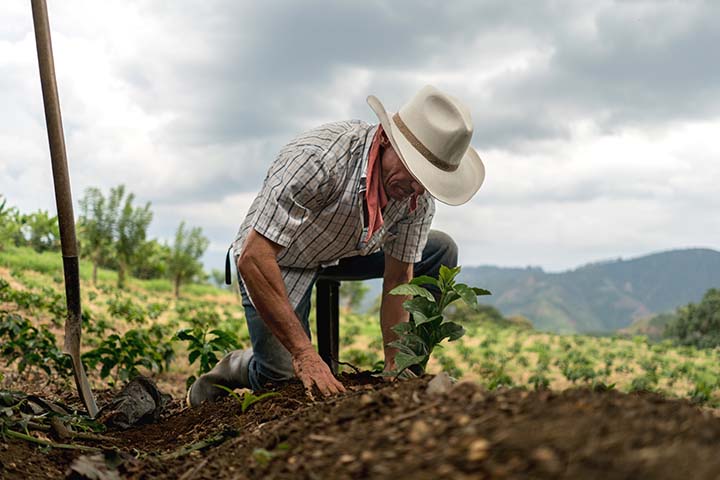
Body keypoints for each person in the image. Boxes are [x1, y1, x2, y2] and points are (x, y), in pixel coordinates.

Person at [187, 85, 485, 406]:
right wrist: (304, 354)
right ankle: (236, 366)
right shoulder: (318, 160)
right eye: (414, 172)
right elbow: (254, 257)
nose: (416, 189)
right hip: (280, 257)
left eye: (426, 181)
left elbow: (399, 278)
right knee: (283, 377)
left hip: (347, 249)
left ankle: (409, 377)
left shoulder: (416, 197)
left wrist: (395, 368)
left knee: (440, 249)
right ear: (386, 140)